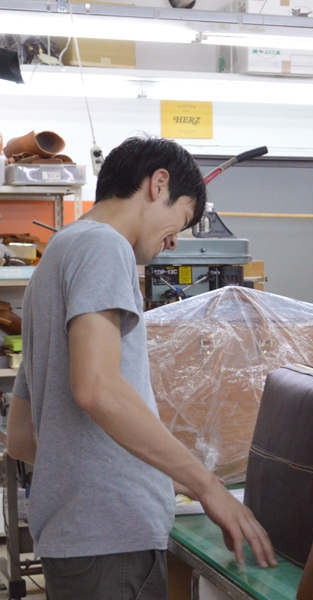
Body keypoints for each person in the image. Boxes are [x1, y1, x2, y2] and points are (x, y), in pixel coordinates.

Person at [6, 137, 276, 600]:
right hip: (112, 541)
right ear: (158, 184)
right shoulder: (104, 246)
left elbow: (21, 436)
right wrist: (206, 486)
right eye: (182, 219)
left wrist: (153, 474)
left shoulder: (57, 255)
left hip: (77, 540)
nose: (175, 240)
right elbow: (97, 388)